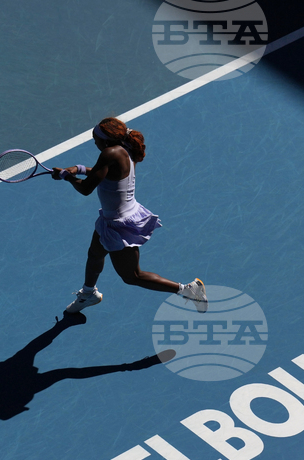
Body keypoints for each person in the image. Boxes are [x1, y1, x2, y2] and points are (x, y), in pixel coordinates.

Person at [51, 117, 208, 314]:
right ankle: (88, 293)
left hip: (119, 224)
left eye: (95, 139)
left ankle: (188, 290)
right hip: (116, 218)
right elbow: (103, 173)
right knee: (95, 254)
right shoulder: (122, 148)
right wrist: (79, 169)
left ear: (106, 141)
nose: (94, 142)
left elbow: (86, 188)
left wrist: (66, 176)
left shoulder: (109, 153)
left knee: (132, 276)